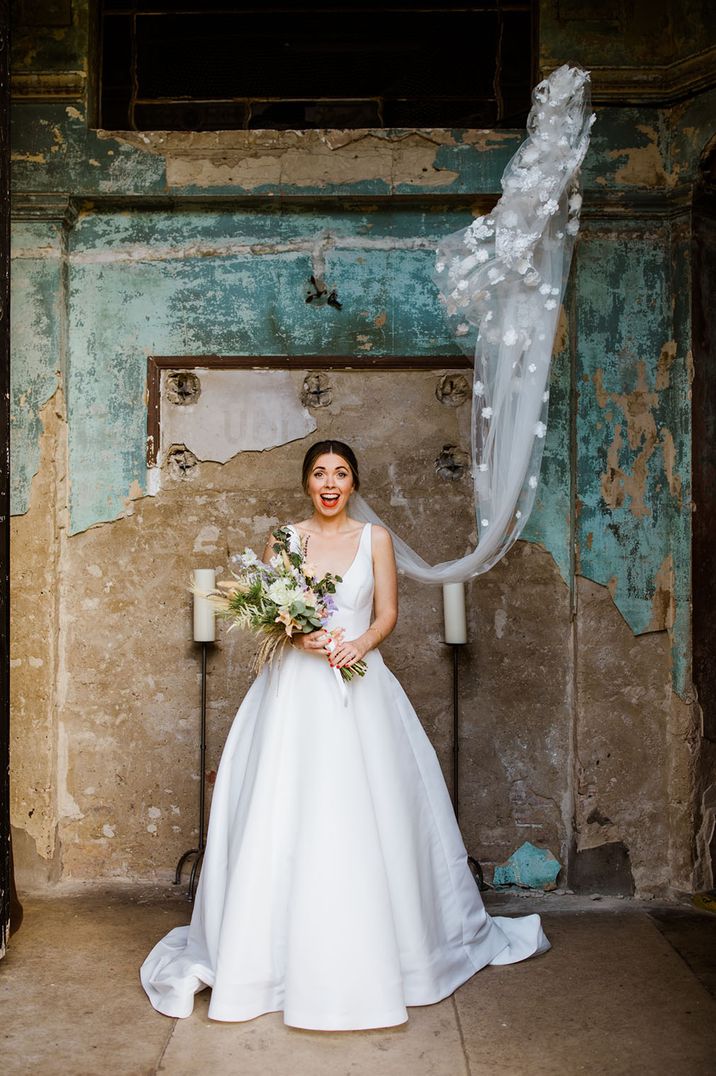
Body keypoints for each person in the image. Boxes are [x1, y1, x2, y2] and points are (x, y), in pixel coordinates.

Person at [140, 438, 550, 1030]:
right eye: (318, 474)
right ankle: (268, 961)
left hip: (360, 686)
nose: (329, 483)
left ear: (353, 484)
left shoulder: (375, 539)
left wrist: (357, 643)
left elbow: (387, 613)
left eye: (340, 473)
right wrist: (295, 635)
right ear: (307, 482)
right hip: (292, 693)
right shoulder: (284, 539)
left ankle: (389, 950)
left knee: (366, 811)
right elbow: (269, 612)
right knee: (284, 808)